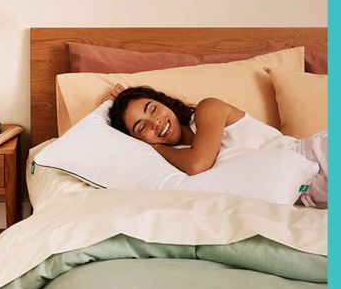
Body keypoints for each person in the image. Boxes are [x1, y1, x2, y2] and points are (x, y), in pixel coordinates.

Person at [107, 84, 328, 209]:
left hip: (316, 155)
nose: (155, 122)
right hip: (307, 194)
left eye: (153, 109)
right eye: (141, 126)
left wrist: (153, 146)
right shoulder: (171, 162)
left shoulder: (208, 109)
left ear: (164, 102)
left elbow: (198, 163)